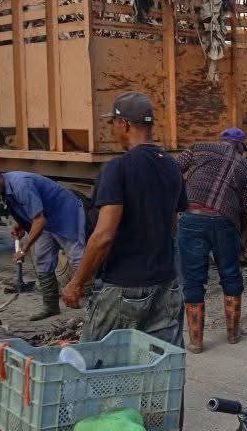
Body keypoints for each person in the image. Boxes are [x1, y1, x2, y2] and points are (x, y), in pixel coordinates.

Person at [60, 91, 188, 346]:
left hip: (124, 286)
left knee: (95, 360)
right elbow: (173, 226)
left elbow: (104, 235)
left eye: (113, 124)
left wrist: (76, 282)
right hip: (166, 284)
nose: (112, 130)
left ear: (125, 124)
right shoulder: (172, 166)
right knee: (158, 362)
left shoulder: (118, 168)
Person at [176, 127, 247, 354]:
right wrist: (239, 234)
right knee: (230, 274)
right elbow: (245, 208)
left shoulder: (197, 148)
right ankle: (233, 334)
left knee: (193, 279)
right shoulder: (246, 167)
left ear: (222, 141)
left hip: (191, 217)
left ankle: (196, 342)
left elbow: (172, 171)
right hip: (225, 221)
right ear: (241, 147)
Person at [0, 164, 84, 321]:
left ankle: (95, 302)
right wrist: (19, 223)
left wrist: (24, 249)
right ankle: (51, 306)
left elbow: (39, 221)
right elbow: (29, 209)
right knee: (42, 259)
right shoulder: (5, 188)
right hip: (45, 217)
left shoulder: (21, 184)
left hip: (64, 212)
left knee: (79, 258)